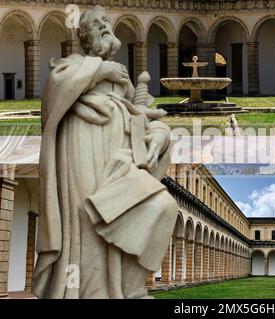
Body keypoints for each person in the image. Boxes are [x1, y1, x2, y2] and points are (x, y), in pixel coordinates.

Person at [32, 5, 178, 299]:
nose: (102, 26)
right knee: (88, 231)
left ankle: (131, 288)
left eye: (105, 22)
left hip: (121, 163)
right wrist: (100, 69)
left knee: (163, 207)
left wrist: (161, 137)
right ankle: (93, 292)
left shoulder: (122, 81)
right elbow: (55, 95)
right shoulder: (70, 66)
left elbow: (143, 117)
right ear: (84, 37)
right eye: (94, 24)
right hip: (81, 165)